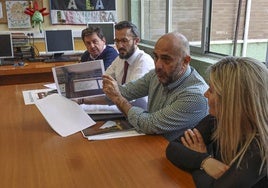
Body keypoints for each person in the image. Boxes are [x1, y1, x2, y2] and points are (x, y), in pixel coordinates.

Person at [166, 56, 268, 187]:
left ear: (231, 100)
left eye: (212, 90)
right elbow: (173, 148)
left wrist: (199, 157)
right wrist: (205, 161)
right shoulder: (216, 121)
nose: (205, 94)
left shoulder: (260, 148)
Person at [101, 31, 209, 141]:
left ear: (185, 61)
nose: (158, 65)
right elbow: (125, 91)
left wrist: (119, 99)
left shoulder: (195, 96)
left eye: (166, 59)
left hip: (173, 154)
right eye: (156, 57)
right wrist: (83, 100)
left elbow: (149, 124)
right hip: (152, 143)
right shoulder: (156, 75)